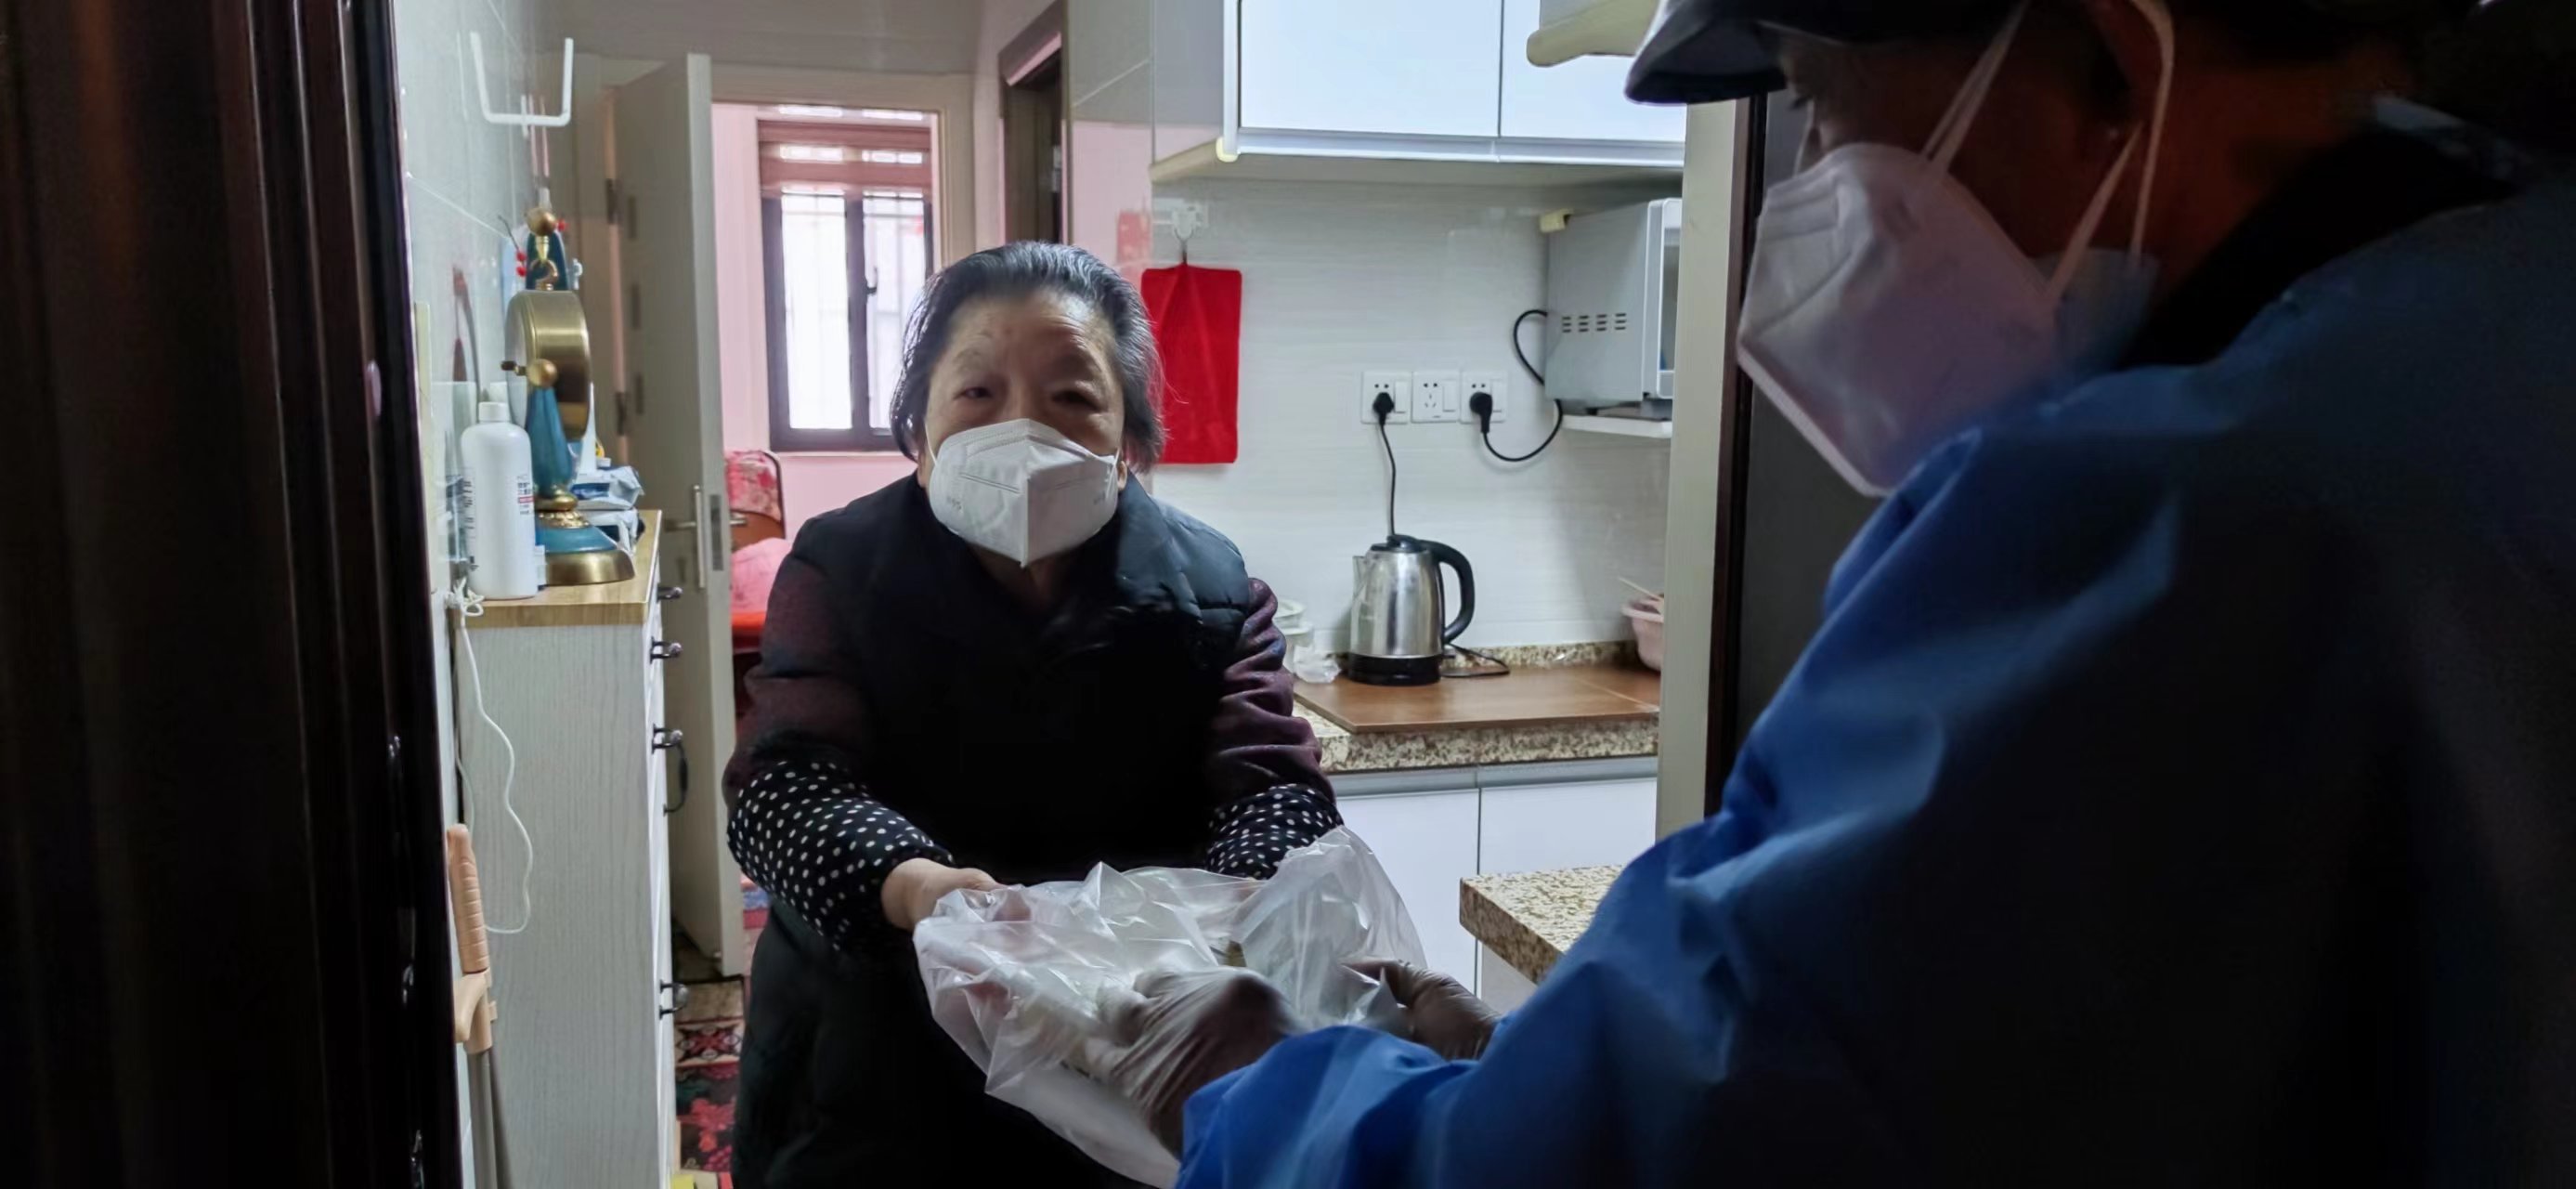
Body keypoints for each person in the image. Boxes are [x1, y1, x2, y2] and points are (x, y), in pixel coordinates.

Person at [1067, 0, 2576, 1183]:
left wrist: (1257, 1092)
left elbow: (1701, 1130)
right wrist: (1516, 1066)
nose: (1800, 194)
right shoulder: (2491, 331)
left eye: (1828, 116)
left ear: (2113, 69)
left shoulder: (2156, 517)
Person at [721, 242, 1342, 1187]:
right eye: (977, 392)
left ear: (1127, 444)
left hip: (1131, 1049)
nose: (1021, 429)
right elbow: (785, 785)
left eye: (1071, 396)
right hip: (875, 1065)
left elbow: (1272, 788)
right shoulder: (839, 567)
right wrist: (921, 890)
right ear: (921, 436)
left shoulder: (1213, 588)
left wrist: (1241, 905)